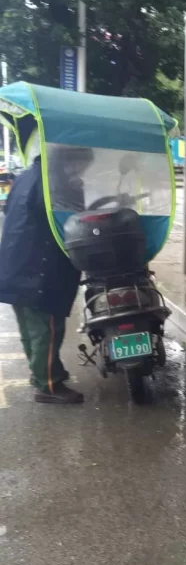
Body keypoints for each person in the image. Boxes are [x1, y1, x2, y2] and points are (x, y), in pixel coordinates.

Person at [0, 150, 91, 403]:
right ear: (68, 162)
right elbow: (72, 220)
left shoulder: (26, 176)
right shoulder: (54, 184)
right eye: (81, 166)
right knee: (47, 330)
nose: (81, 172)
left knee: (30, 328)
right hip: (39, 271)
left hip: (15, 265)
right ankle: (49, 385)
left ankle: (40, 373)